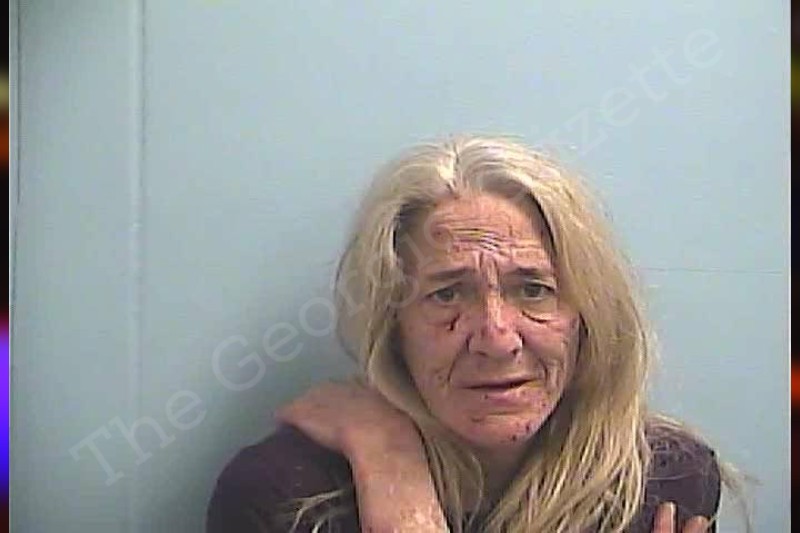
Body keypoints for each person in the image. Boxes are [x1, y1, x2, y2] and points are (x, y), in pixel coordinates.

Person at [207, 135, 745, 532]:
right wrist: (390, 463)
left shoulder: (661, 479)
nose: (496, 340)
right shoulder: (287, 498)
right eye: (447, 295)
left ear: (589, 314)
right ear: (392, 324)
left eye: (533, 290)